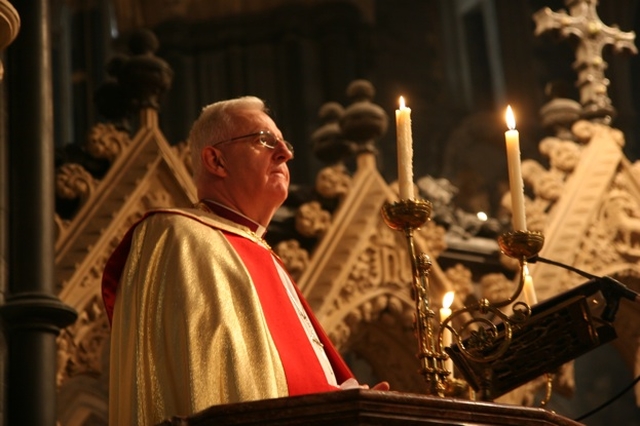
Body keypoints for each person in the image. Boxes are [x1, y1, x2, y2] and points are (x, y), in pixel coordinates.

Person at [102, 96, 389, 426]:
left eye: (285, 143)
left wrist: (348, 402)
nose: (286, 154)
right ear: (217, 161)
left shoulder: (264, 253)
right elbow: (205, 383)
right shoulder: (178, 236)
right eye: (264, 140)